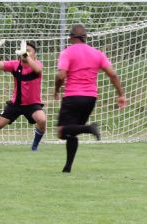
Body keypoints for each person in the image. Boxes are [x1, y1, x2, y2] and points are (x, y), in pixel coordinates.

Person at [53, 23, 126, 173]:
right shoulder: (97, 53)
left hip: (73, 96)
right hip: (90, 98)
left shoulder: (67, 52)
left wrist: (56, 90)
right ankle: (67, 168)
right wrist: (121, 94)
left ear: (70, 37)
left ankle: (90, 128)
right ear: (86, 37)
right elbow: (113, 74)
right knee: (72, 132)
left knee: (61, 131)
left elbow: (61, 75)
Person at [0, 36, 47, 151]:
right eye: (24, 50)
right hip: (15, 104)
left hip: (32, 105)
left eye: (28, 51)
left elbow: (38, 70)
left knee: (42, 120)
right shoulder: (14, 65)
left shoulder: (37, 64)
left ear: (35, 56)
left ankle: (34, 147)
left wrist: (26, 55)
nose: (25, 52)